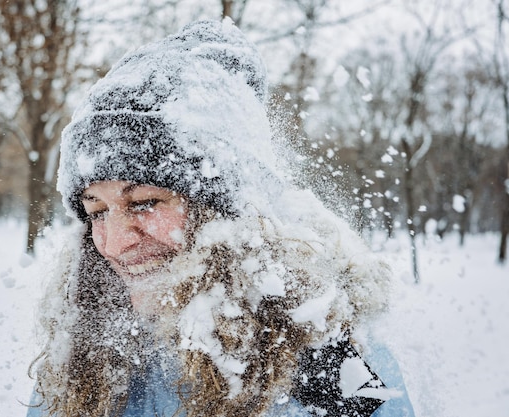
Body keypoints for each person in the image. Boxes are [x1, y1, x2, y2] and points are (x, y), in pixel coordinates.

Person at [26, 19, 415, 417]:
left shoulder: (332, 369)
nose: (114, 242)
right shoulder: (81, 357)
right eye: (97, 211)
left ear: (228, 216)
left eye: (144, 202)